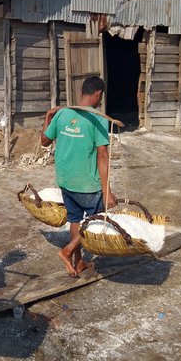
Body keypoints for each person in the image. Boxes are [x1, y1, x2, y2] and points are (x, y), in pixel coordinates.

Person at [40, 76, 117, 278]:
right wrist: (107, 191)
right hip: (87, 184)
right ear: (98, 94)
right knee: (96, 219)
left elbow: (44, 142)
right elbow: (102, 155)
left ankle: (79, 261)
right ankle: (66, 251)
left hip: (65, 180)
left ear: (82, 91)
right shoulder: (98, 118)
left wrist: (48, 116)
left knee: (75, 219)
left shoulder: (62, 114)